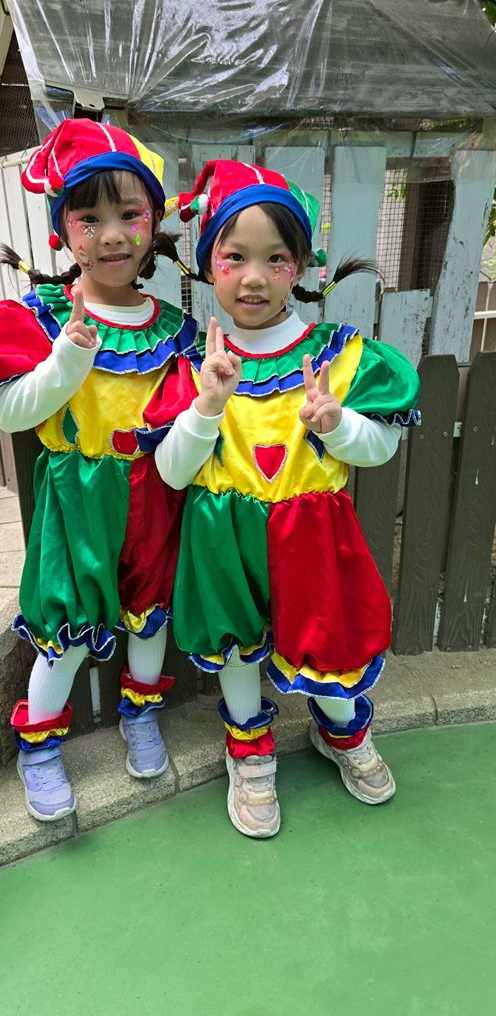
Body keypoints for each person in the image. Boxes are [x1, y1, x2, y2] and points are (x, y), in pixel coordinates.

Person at [154, 159, 420, 838]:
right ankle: (248, 749)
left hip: (312, 533)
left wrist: (337, 425)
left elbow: (378, 448)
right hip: (222, 534)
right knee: (236, 647)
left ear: (299, 265)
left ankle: (341, 732)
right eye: (234, 257)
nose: (253, 277)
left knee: (327, 643)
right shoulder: (189, 362)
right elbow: (173, 473)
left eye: (275, 258)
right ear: (208, 263)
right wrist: (208, 406)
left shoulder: (339, 354)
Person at [0, 119, 198, 821]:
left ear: (154, 222)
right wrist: (68, 356)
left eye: (129, 214)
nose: (112, 234)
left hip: (153, 491)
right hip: (77, 493)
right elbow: (12, 413)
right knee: (65, 628)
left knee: (149, 618)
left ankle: (140, 715)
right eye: (89, 218)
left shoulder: (175, 329)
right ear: (62, 229)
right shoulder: (38, 317)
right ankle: (39, 748)